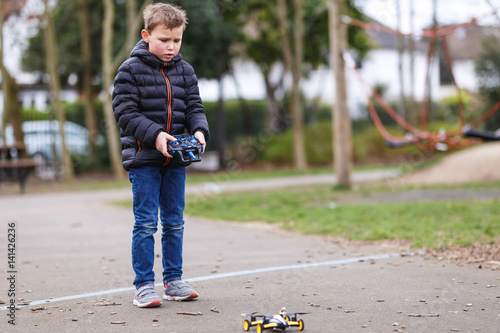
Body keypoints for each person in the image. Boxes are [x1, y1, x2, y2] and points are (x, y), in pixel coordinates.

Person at [112, 3, 209, 308]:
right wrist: (155, 135)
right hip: (144, 160)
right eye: (164, 40)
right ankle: (143, 285)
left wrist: (199, 130)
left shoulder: (185, 71)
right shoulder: (130, 70)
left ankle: (173, 281)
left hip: (176, 160)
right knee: (145, 223)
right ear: (146, 35)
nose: (171, 47)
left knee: (174, 222)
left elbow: (194, 107)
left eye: (176, 40)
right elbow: (125, 113)